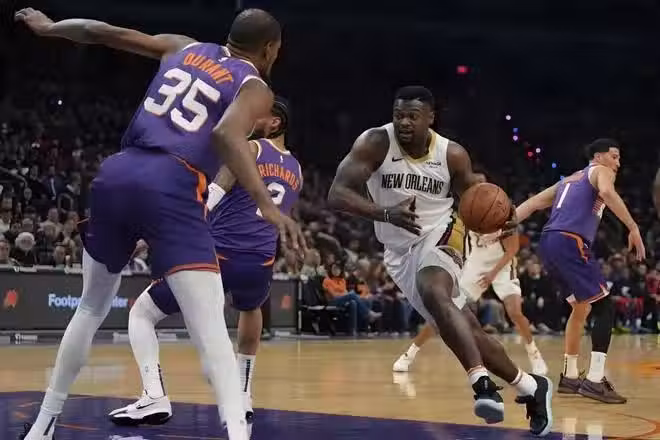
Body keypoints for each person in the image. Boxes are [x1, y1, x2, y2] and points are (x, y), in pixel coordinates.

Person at [15, 7, 305, 440]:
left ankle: (42, 426)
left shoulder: (183, 46)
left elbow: (99, 30)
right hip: (174, 181)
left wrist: (48, 27)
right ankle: (236, 433)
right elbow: (226, 135)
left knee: (90, 308)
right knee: (211, 332)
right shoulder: (255, 86)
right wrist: (266, 203)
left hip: (117, 173)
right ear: (270, 49)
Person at [327, 86, 552, 436]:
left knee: (433, 289)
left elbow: (477, 195)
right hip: (398, 250)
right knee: (463, 327)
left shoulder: (452, 154)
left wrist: (504, 214)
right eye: (398, 115)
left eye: (412, 116)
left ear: (430, 118)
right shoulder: (376, 142)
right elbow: (337, 193)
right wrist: (385, 213)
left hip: (443, 231)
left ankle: (482, 385)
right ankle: (530, 386)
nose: (404, 122)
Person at [108, 98, 301, 426]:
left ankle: (153, 396)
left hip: (220, 253)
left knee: (142, 313)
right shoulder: (296, 169)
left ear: (275, 122)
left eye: (256, 115)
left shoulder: (249, 148)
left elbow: (212, 194)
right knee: (250, 309)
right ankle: (243, 395)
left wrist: (158, 233)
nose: (248, 120)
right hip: (261, 259)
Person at [516, 138, 645, 404]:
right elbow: (607, 193)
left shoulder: (567, 181)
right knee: (605, 307)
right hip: (569, 241)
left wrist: (500, 225)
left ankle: (570, 376)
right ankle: (595, 381)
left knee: (581, 308)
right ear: (598, 157)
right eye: (614, 156)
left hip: (548, 244)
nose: (618, 163)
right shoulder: (601, 171)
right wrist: (633, 227)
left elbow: (531, 204)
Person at [394, 226, 548, 375]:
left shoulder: (505, 215)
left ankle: (534, 354)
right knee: (445, 311)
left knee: (515, 313)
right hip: (475, 266)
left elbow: (512, 249)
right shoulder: (467, 213)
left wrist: (492, 274)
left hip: (502, 267)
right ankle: (409, 354)